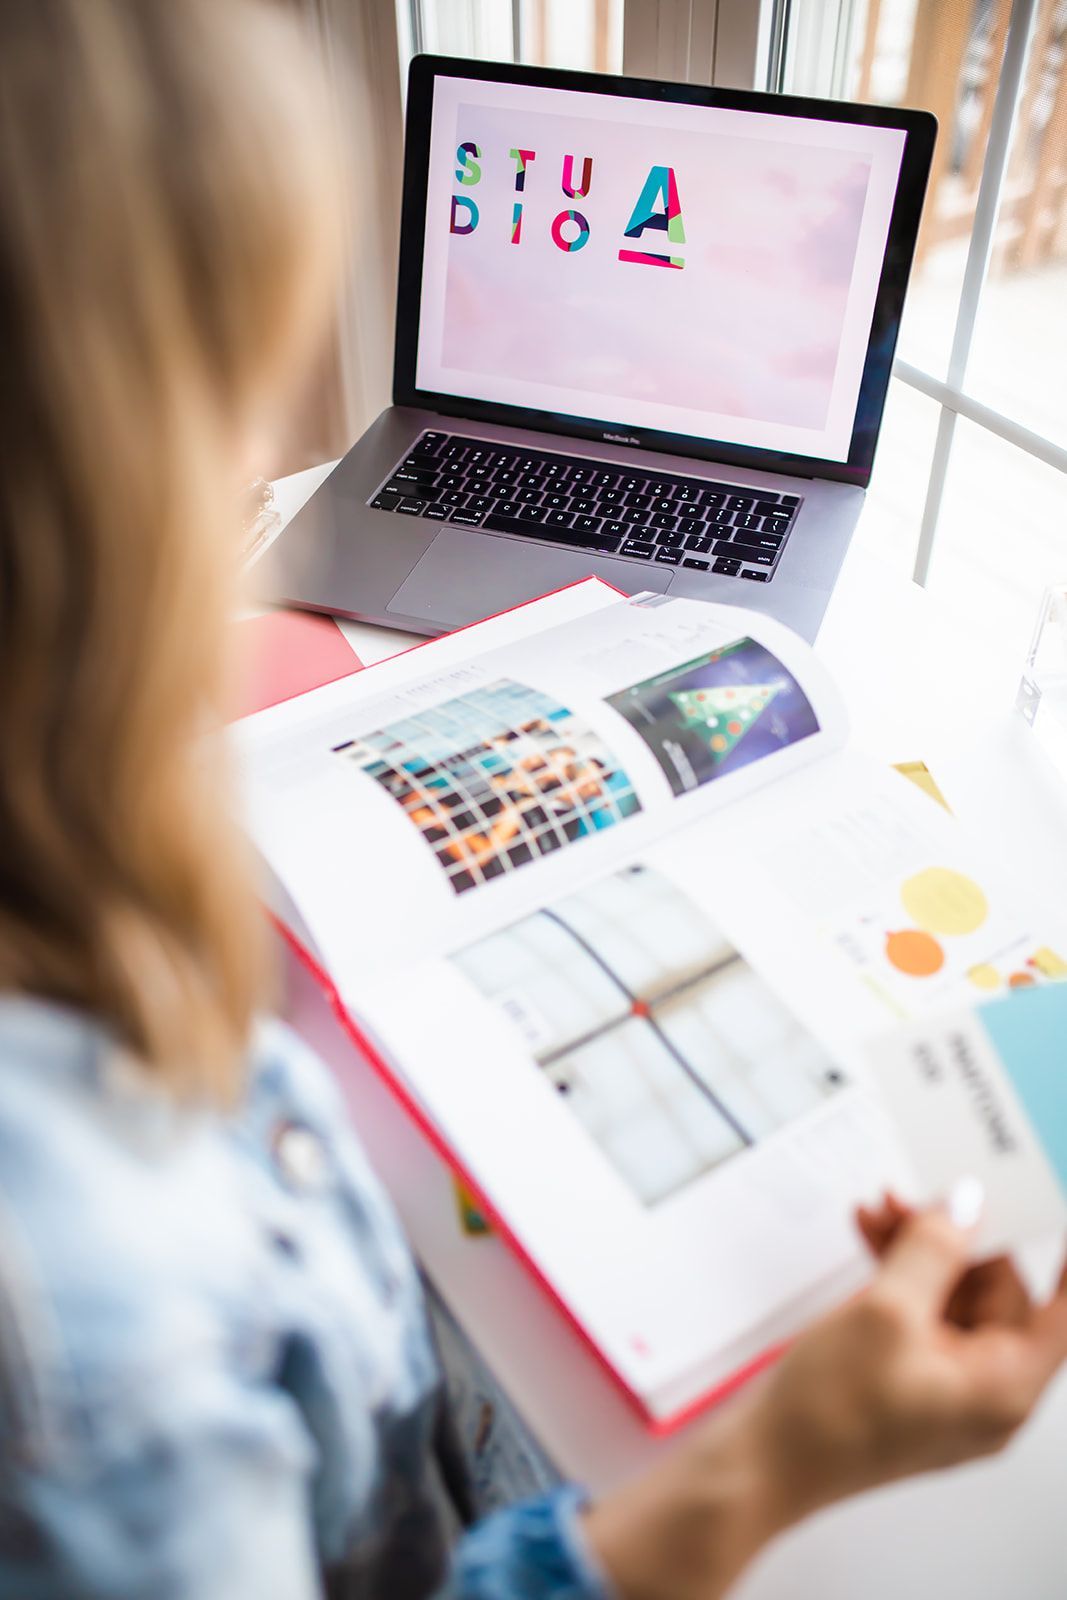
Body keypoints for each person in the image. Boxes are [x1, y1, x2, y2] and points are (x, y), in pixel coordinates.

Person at [1, 3, 1065, 1597]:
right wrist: (771, 1470)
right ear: (91, 484)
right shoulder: (99, 1329)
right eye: (223, 414)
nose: (248, 502)